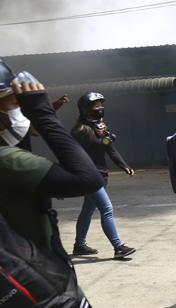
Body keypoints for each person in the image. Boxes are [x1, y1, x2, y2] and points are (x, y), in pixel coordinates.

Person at [0, 60, 103, 306]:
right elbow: (88, 179)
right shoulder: (6, 161)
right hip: (41, 287)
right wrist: (43, 115)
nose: (22, 112)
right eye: (16, 104)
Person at [70, 92, 136, 259]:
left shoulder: (101, 127)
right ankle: (118, 247)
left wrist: (124, 166)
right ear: (86, 110)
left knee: (87, 211)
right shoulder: (81, 131)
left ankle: (79, 246)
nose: (100, 108)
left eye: (101, 104)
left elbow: (111, 150)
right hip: (89, 177)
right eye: (96, 105)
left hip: (101, 175)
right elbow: (70, 154)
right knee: (106, 209)